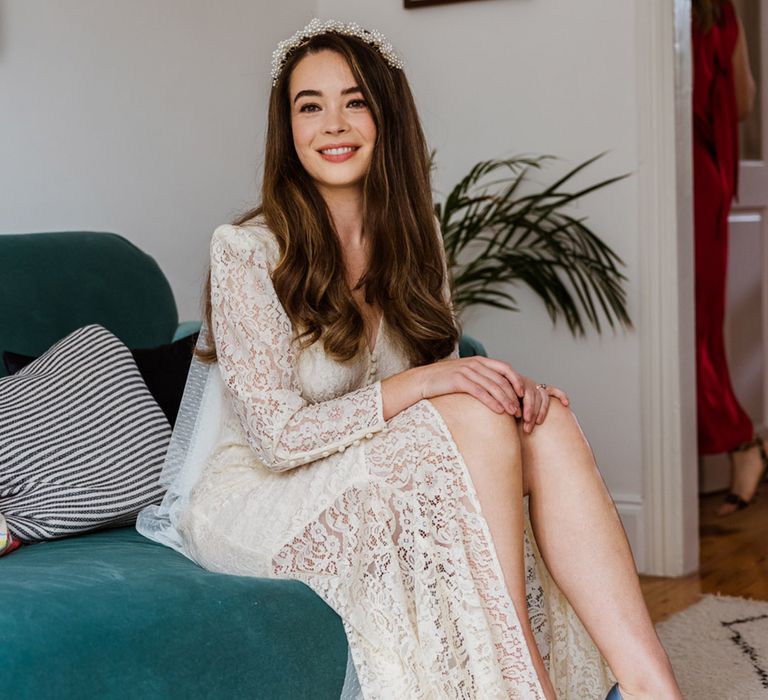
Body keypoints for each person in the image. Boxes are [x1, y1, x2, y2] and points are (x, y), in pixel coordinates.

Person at [137, 18, 683, 699]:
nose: (332, 123)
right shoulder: (246, 250)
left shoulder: (414, 234)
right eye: (310, 106)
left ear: (385, 115)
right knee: (478, 421)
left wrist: (509, 392)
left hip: (368, 463)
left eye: (354, 101)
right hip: (258, 498)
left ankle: (654, 688)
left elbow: (452, 395)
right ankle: (519, 681)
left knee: (545, 424)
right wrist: (435, 382)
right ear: (289, 130)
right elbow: (276, 442)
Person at [691, 0, 765, 516]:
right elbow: (742, 99)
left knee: (694, 329)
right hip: (694, 174)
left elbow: (742, 101)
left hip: (696, 174)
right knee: (695, 329)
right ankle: (744, 445)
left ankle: (741, 442)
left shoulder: (716, 12)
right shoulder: (718, 12)